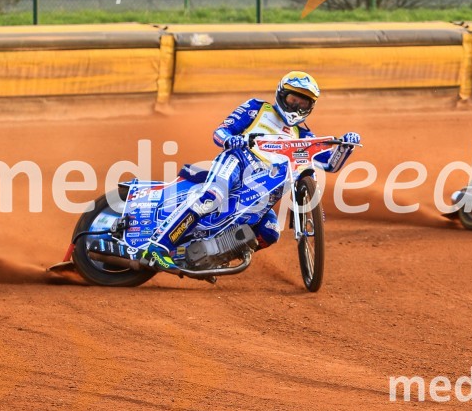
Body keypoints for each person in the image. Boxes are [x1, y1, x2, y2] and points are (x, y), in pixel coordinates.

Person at [141, 71, 360, 270]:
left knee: (270, 230)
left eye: (302, 102)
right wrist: (231, 141)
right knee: (212, 196)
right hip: (238, 160)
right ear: (282, 95)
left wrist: (345, 147)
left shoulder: (302, 136)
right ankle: (158, 245)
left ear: (310, 106)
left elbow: (330, 164)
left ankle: (212, 254)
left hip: (262, 188)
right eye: (293, 99)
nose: (295, 106)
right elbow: (220, 131)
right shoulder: (257, 108)